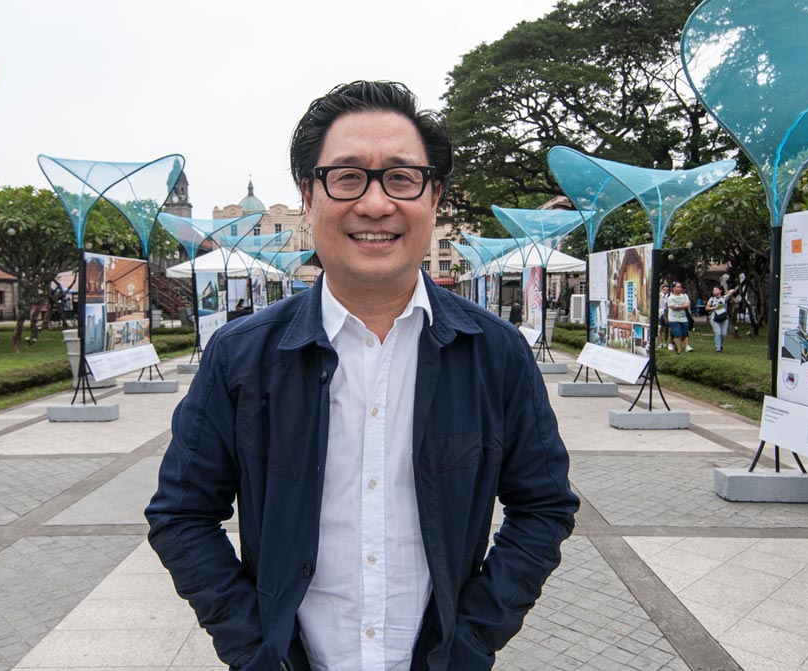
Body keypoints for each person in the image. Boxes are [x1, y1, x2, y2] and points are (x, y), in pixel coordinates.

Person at [145, 80, 578, 671]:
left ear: (434, 196)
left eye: (401, 177)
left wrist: (471, 640)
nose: (375, 205)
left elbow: (544, 507)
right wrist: (255, 650)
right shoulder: (241, 356)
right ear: (308, 194)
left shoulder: (495, 354)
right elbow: (181, 514)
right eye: (347, 177)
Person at [705, 285, 738, 353]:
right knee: (718, 333)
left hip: (724, 317)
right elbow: (707, 308)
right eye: (713, 290)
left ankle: (720, 344)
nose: (714, 291)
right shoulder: (712, 299)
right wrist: (715, 308)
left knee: (723, 334)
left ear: (720, 291)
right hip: (715, 317)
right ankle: (718, 348)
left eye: (716, 289)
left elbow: (733, 290)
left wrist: (727, 292)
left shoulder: (724, 298)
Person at [666, 282, 693, 353]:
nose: (680, 288)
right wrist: (682, 306)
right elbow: (673, 307)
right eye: (678, 287)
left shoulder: (684, 296)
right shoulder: (670, 298)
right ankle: (679, 349)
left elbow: (687, 305)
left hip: (684, 318)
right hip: (673, 318)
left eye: (680, 287)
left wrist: (678, 306)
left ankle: (674, 343)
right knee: (677, 334)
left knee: (684, 334)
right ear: (673, 288)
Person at [658, 283, 671, 350]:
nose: (665, 291)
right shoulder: (660, 295)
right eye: (664, 290)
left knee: (666, 329)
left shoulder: (670, 296)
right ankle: (660, 343)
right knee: (659, 329)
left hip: (667, 313)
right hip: (660, 313)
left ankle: (666, 342)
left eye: (667, 290)